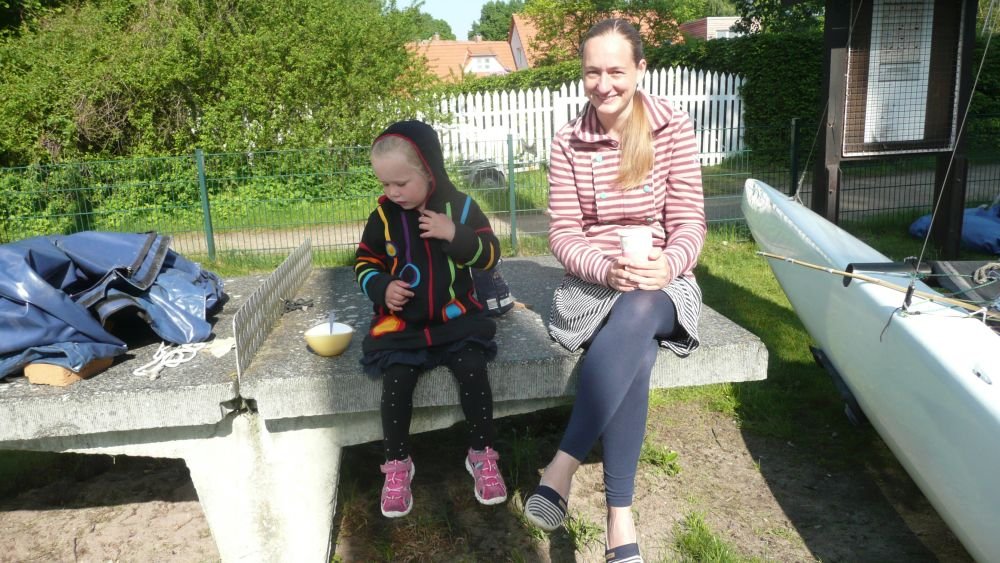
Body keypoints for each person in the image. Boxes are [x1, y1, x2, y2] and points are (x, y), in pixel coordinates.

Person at [523, 19, 705, 562]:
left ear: (640, 69)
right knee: (638, 352)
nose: (603, 85)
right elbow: (563, 233)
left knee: (643, 307)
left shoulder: (672, 127)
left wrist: (668, 264)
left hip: (664, 282)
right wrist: (605, 270)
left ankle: (562, 466)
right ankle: (619, 518)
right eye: (592, 72)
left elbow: (690, 222)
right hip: (593, 284)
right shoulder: (568, 141)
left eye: (616, 71)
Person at [354, 120, 508, 518]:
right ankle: (397, 463)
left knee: (473, 369)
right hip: (403, 325)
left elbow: (490, 254)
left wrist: (455, 234)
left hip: (457, 320)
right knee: (396, 379)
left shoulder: (462, 207)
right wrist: (381, 286)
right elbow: (364, 262)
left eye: (401, 183)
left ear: (429, 170)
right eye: (385, 184)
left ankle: (481, 454)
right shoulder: (383, 217)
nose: (392, 192)